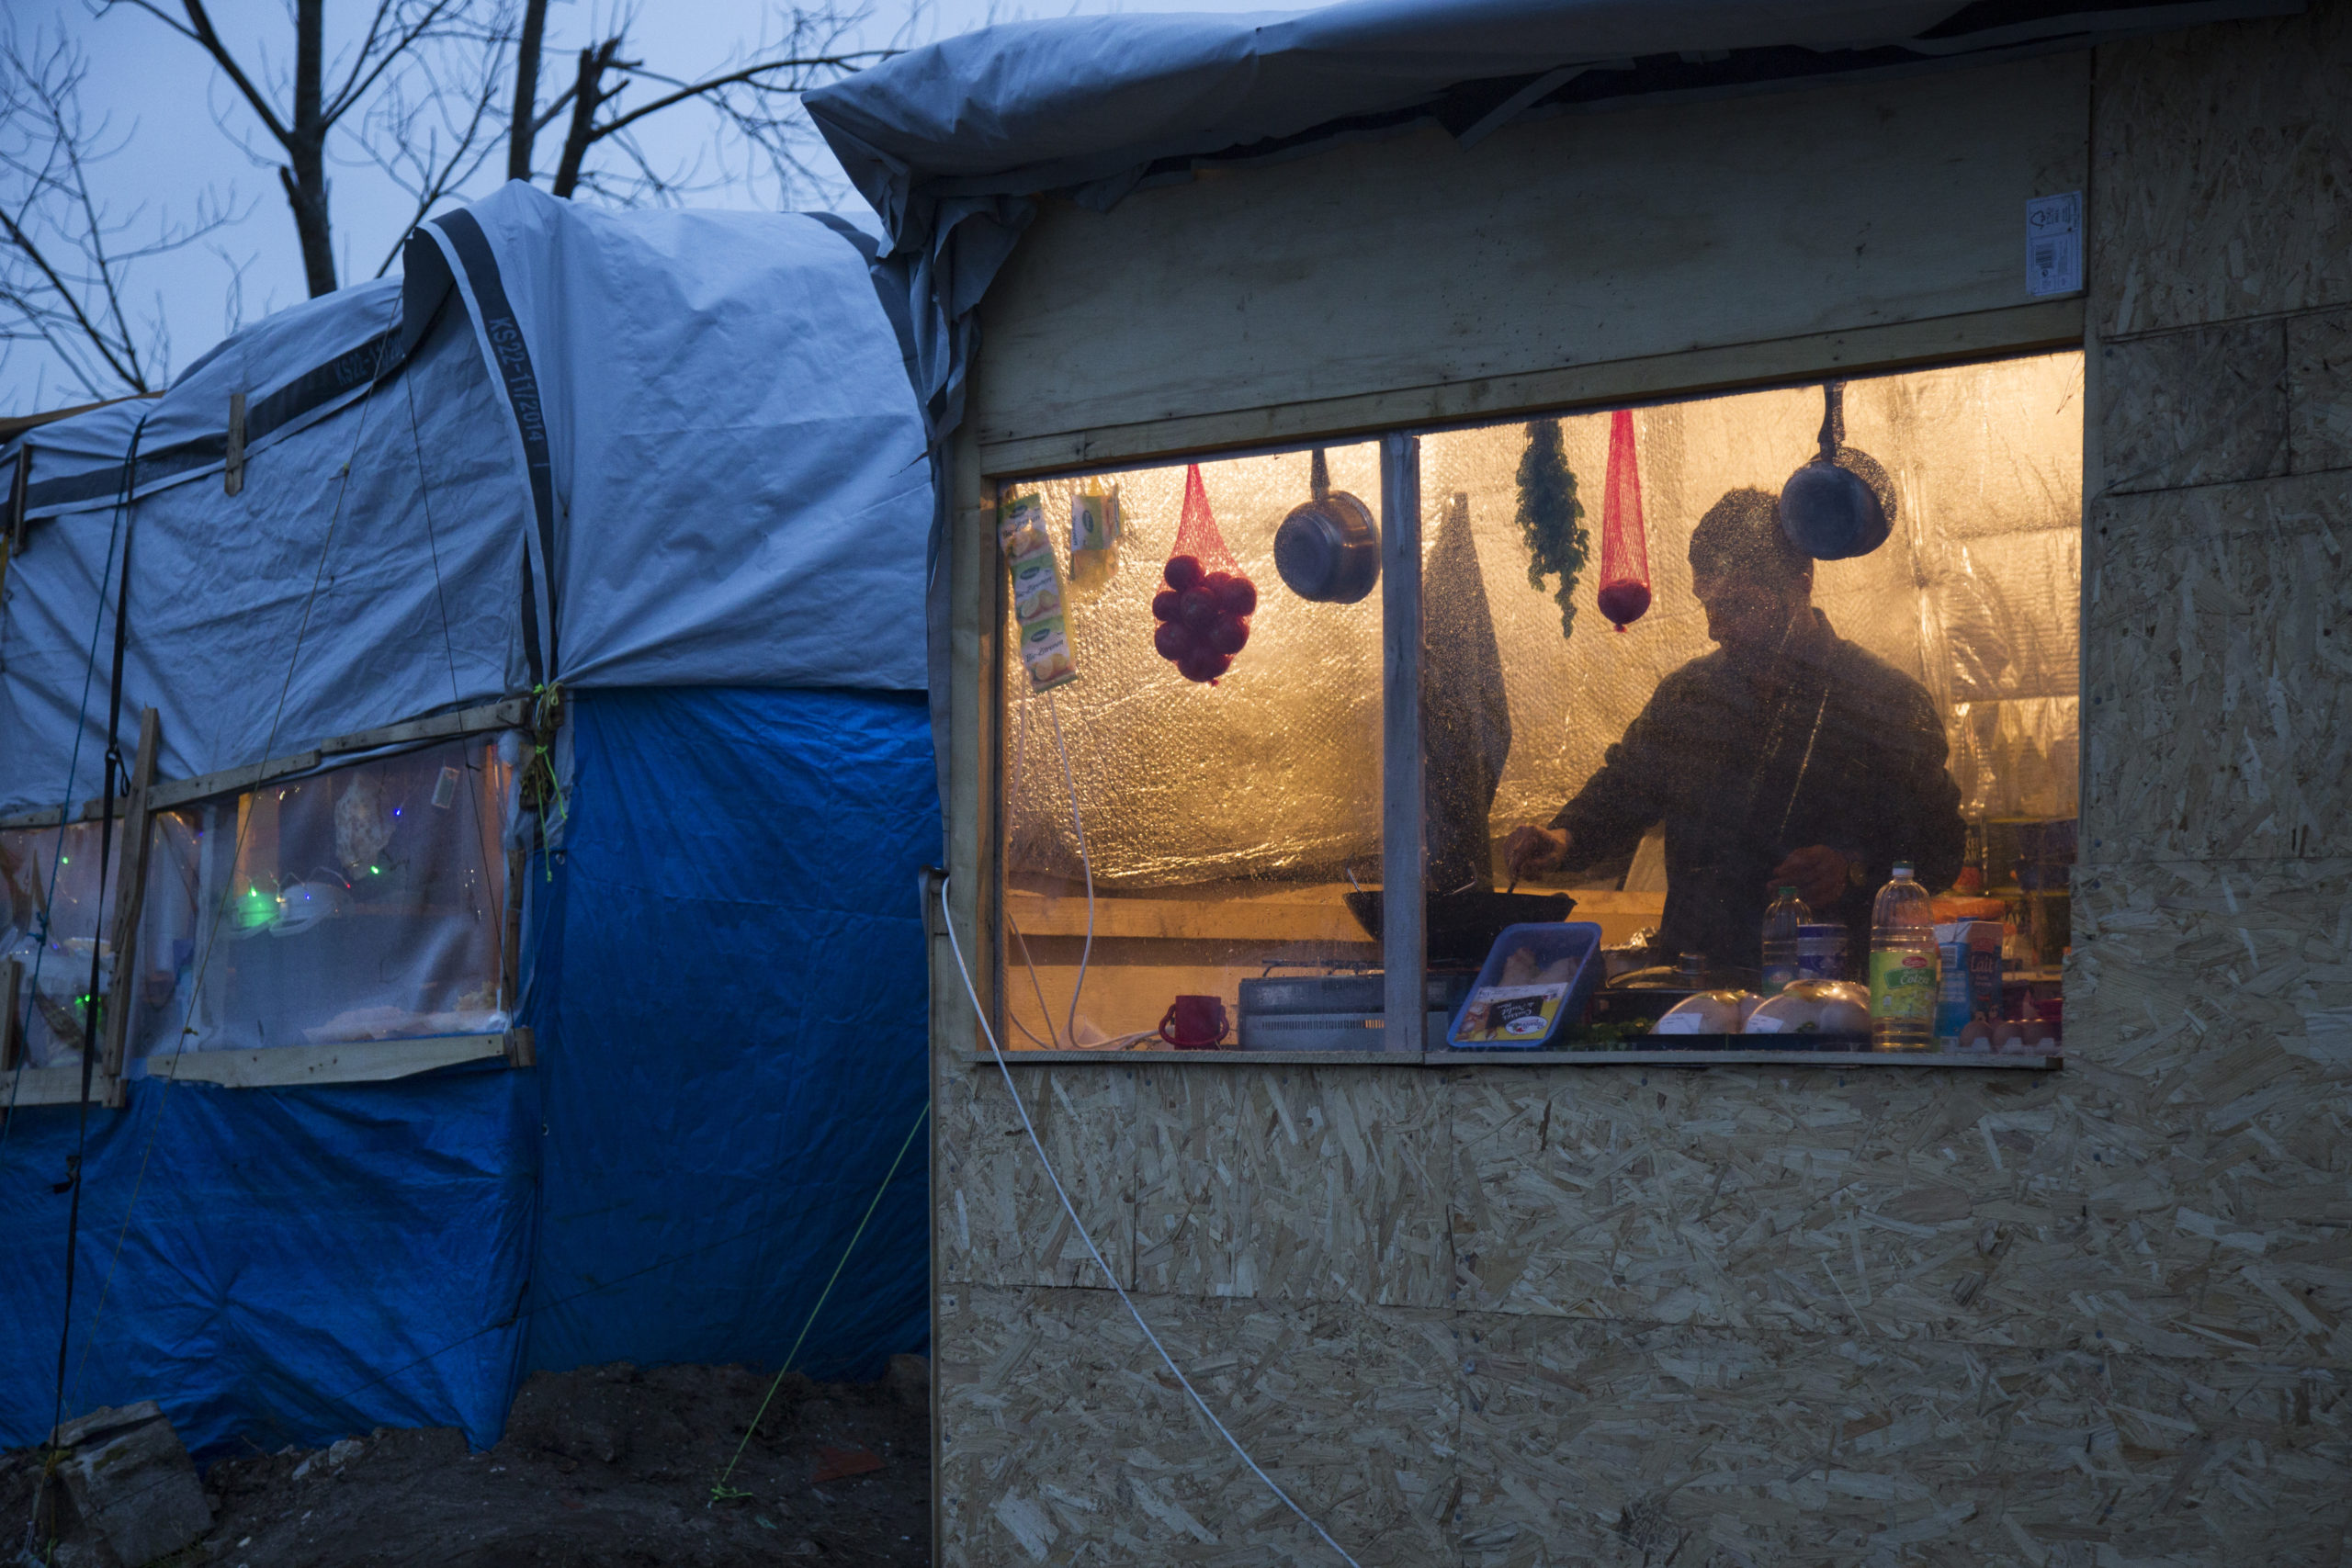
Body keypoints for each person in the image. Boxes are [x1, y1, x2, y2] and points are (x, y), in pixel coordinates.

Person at [1502, 487, 1963, 974]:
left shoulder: (1884, 699)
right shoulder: (1689, 696)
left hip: (1828, 997)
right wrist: (1564, 837)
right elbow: (1622, 791)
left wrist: (1853, 868)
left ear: (1802, 582)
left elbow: (1941, 847)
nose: (1716, 628)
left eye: (1740, 605)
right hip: (1696, 987)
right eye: (1709, 605)